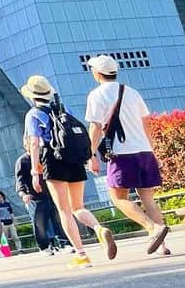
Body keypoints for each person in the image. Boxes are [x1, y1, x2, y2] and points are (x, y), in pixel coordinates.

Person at [22, 75, 116, 268]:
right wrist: (91, 157)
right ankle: (99, 229)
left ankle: (81, 254)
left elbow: (34, 143)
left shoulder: (33, 115)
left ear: (32, 96)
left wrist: (34, 171)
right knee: (78, 206)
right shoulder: (65, 110)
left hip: (54, 160)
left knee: (64, 209)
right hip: (75, 161)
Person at [85, 54, 170, 255]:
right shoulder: (132, 92)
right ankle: (162, 246)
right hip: (145, 151)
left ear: (97, 73)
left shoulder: (97, 95)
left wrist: (91, 154)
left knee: (118, 197)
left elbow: (95, 127)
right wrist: (153, 151)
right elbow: (146, 122)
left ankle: (153, 229)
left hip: (122, 154)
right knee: (148, 198)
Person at [15, 135, 66, 253]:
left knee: (58, 220)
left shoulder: (44, 156)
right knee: (39, 224)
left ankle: (65, 243)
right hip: (35, 197)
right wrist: (23, 193)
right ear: (26, 145)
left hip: (51, 194)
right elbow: (19, 179)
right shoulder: (22, 161)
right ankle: (44, 246)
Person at [0, 189, 22, 254]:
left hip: (10, 223)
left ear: (3, 197)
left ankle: (19, 250)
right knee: (5, 239)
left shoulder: (7, 204)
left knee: (15, 237)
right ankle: (8, 252)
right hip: (3, 224)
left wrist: (14, 221)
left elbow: (11, 213)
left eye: (0, 197)